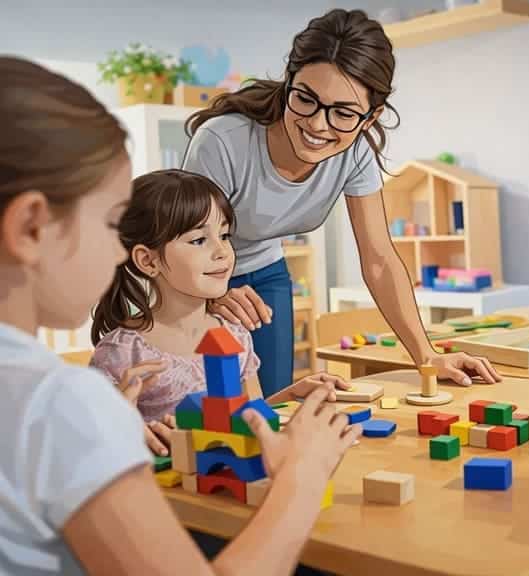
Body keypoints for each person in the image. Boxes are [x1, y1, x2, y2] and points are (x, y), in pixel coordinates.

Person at [0, 55, 360, 576]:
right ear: (32, 227)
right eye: (108, 223)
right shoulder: (56, 401)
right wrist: (303, 476)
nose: (118, 253)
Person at [182, 8, 501, 397]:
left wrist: (426, 357)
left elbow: (379, 259)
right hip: (189, 273)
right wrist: (212, 293)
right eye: (305, 99)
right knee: (204, 401)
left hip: (264, 271)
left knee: (274, 401)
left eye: (344, 113)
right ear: (288, 84)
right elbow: (184, 242)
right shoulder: (223, 141)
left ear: (370, 117)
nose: (318, 125)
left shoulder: (355, 155)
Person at [89, 169, 350, 455]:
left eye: (225, 235)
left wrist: (293, 395)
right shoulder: (121, 353)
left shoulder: (235, 334)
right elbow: (93, 451)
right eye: (199, 240)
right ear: (148, 260)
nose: (223, 251)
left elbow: (247, 417)